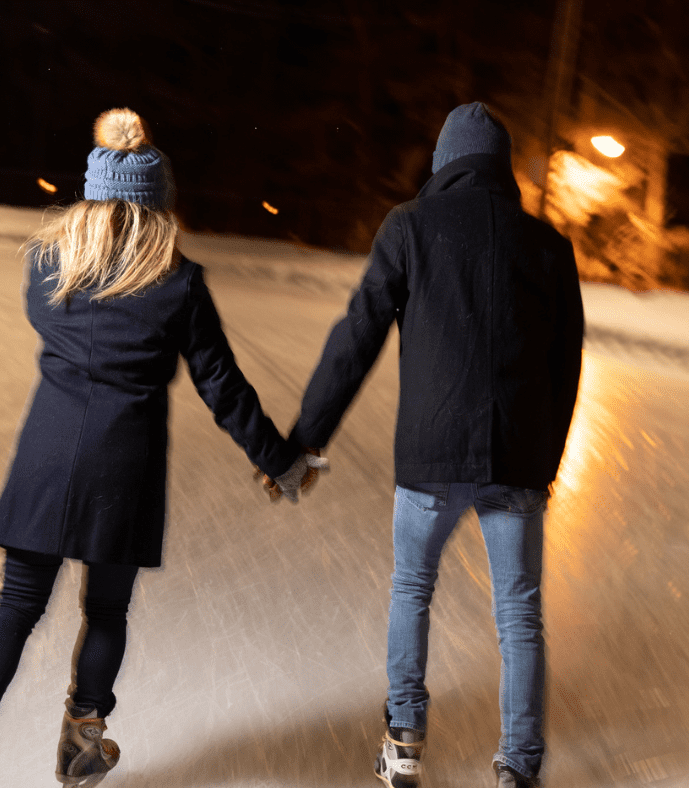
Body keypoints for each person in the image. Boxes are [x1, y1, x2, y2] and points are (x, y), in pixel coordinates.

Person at [0, 108, 325, 788]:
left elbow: (48, 317)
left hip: (48, 455)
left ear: (92, 194)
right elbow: (221, 386)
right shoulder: (179, 283)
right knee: (105, 611)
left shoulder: (49, 266)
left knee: (17, 603)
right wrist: (278, 460)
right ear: (159, 206)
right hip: (124, 467)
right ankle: (83, 743)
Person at [288, 103, 584, 788]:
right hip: (515, 457)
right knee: (520, 615)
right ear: (502, 168)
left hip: (430, 454)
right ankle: (520, 765)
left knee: (412, 590)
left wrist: (305, 438)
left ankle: (403, 745)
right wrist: (546, 460)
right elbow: (565, 364)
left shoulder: (409, 227)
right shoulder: (547, 245)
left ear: (444, 163)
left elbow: (357, 336)